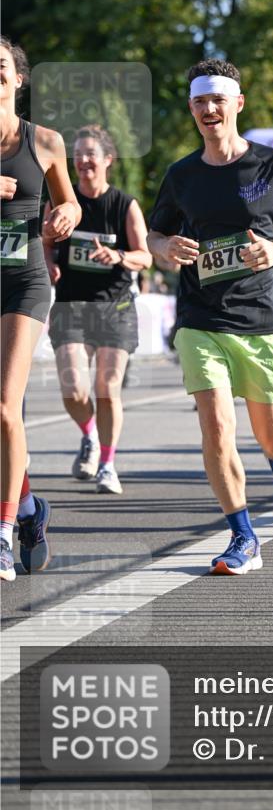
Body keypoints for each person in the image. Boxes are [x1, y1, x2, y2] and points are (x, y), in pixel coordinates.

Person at [148, 59, 273, 575]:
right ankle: (243, 536)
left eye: (217, 100)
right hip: (201, 319)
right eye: (199, 102)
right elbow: (155, 236)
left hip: (263, 319)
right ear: (191, 110)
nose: (208, 110)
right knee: (218, 428)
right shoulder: (181, 176)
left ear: (237, 104)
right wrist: (166, 247)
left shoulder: (272, 165)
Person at [1, 36, 81, 581]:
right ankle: (30, 508)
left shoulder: (45, 141)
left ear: (18, 77)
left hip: (23, 284)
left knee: (5, 406)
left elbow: (68, 198)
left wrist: (68, 213)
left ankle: (3, 532)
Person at [42, 125, 152, 494]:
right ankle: (89, 434)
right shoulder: (61, 199)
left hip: (114, 306)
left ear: (108, 160)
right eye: (78, 154)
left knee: (106, 390)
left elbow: (145, 256)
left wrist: (118, 255)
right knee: (73, 390)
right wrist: (48, 263)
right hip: (71, 304)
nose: (83, 160)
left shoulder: (124, 204)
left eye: (91, 154)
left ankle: (107, 464)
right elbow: (43, 239)